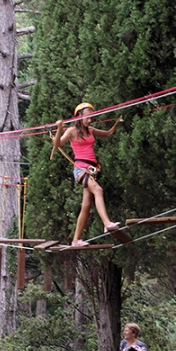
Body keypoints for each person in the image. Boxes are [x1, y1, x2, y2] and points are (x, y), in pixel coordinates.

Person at [53, 103, 122, 247]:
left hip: (92, 170)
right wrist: (59, 129)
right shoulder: (72, 131)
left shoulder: (91, 130)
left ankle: (76, 240)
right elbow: (58, 144)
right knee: (98, 190)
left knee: (86, 206)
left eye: (91, 117)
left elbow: (108, 133)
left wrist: (116, 123)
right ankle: (107, 223)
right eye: (87, 117)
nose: (90, 120)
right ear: (79, 116)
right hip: (81, 170)